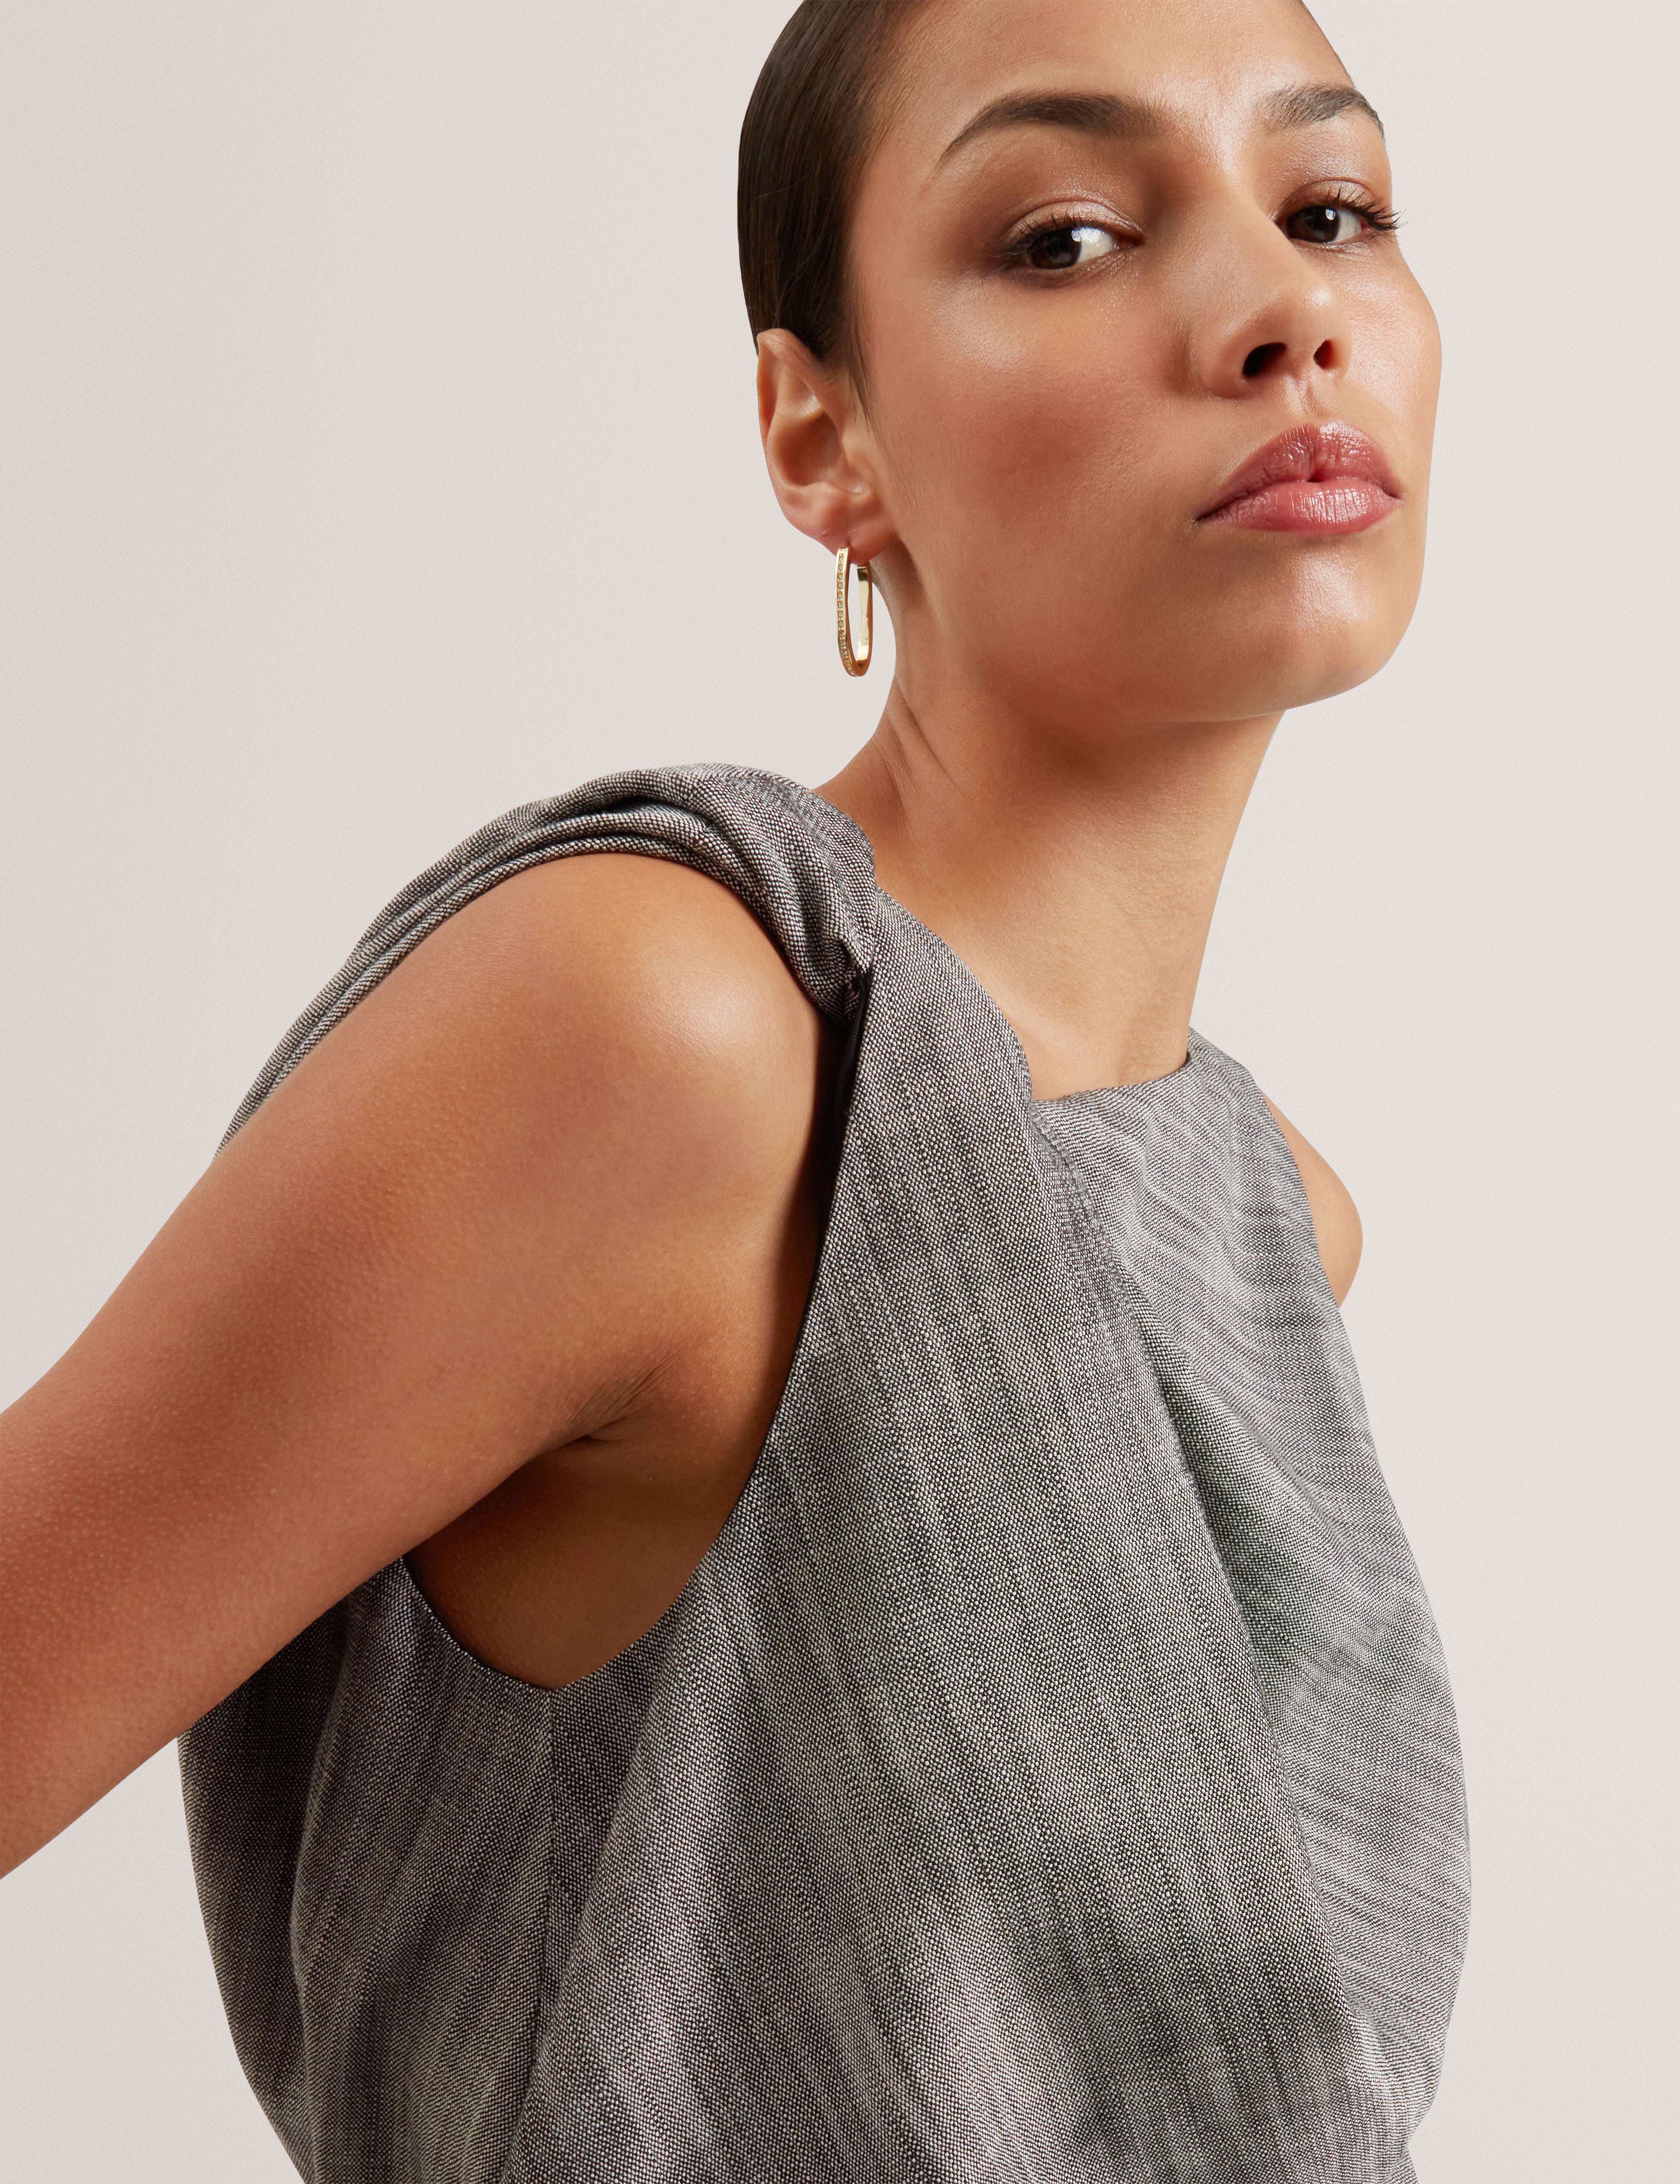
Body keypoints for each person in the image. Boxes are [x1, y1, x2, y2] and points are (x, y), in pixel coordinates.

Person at [0, 0, 1469, 2176]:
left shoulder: (1268, 1215)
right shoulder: (680, 1034)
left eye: (1330, 207)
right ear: (820, 436)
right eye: (1066, 236)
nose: (1283, 311)